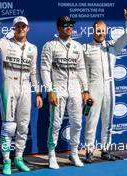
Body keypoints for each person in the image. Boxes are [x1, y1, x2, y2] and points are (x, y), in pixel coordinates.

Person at [0, 7, 43, 175]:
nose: (21, 29)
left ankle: (19, 158)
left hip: (25, 89)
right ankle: (7, 161)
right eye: (18, 26)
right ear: (13, 28)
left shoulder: (33, 48)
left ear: (28, 28)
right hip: (9, 87)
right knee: (9, 127)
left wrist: (38, 93)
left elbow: (34, 72)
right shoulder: (4, 43)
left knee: (23, 127)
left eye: (23, 26)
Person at [83, 9, 127, 163]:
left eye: (103, 31)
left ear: (106, 32)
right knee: (92, 121)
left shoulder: (112, 46)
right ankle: (89, 151)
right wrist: (85, 91)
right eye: (98, 31)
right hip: (93, 88)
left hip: (110, 87)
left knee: (108, 120)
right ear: (93, 31)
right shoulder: (86, 48)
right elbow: (82, 72)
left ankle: (105, 150)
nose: (100, 33)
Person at [41, 16, 90, 169]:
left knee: (77, 123)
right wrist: (49, 90)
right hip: (58, 89)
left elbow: (81, 69)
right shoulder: (50, 46)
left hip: (75, 89)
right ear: (58, 28)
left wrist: (85, 90)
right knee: (55, 124)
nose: (69, 28)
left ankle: (74, 153)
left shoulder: (77, 46)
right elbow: (44, 69)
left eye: (71, 25)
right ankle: (51, 155)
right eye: (65, 25)